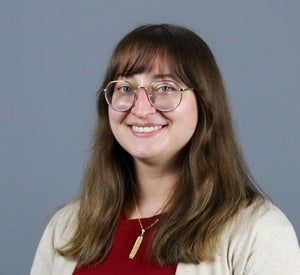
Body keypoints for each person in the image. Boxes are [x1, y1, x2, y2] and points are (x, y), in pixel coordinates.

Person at [31, 23, 300, 275]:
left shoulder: (260, 231)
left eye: (166, 87)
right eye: (126, 87)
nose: (141, 108)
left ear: (204, 102)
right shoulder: (66, 227)